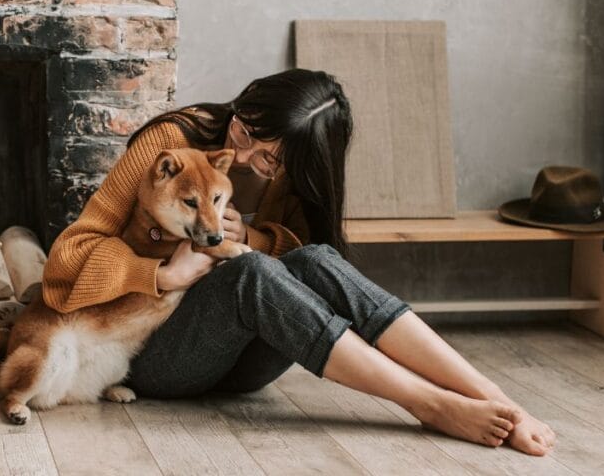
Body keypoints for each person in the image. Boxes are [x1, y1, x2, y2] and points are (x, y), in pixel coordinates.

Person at [41, 69, 556, 456]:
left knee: (316, 259)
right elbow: (66, 261)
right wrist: (157, 273)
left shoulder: (290, 181)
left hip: (241, 366)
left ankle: (493, 396)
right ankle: (429, 404)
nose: (244, 158)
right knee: (252, 272)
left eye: (268, 160)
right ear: (242, 107)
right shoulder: (171, 145)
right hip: (147, 357)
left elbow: (305, 273)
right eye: (244, 133)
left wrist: (260, 238)